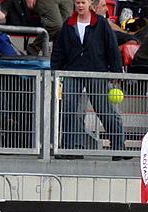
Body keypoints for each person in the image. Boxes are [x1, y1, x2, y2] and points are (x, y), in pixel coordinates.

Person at [51, 0, 127, 160]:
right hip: (73, 72)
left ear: (90, 4)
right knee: (71, 110)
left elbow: (111, 47)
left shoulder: (101, 23)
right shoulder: (68, 24)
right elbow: (60, 50)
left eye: (83, 2)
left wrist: (116, 72)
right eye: (77, 2)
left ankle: (118, 145)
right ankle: (71, 148)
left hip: (97, 72)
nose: (80, 5)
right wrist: (55, 71)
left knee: (104, 110)